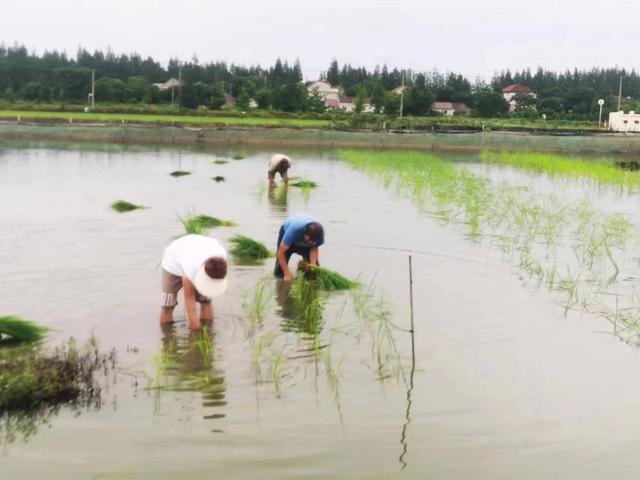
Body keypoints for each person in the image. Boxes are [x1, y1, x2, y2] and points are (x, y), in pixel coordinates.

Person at [160, 234, 228, 330]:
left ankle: (208, 332)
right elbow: (189, 297)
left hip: (195, 251)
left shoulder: (222, 257)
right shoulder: (191, 265)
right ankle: (167, 339)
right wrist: (194, 326)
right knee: (168, 305)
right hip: (173, 262)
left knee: (206, 301)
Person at [274, 214, 324, 282]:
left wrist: (312, 266)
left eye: (314, 241)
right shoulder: (294, 230)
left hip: (305, 238)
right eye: (310, 240)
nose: (312, 243)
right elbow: (281, 252)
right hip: (288, 232)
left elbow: (314, 248)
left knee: (314, 273)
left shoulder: (320, 233)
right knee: (280, 272)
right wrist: (286, 274)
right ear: (305, 234)